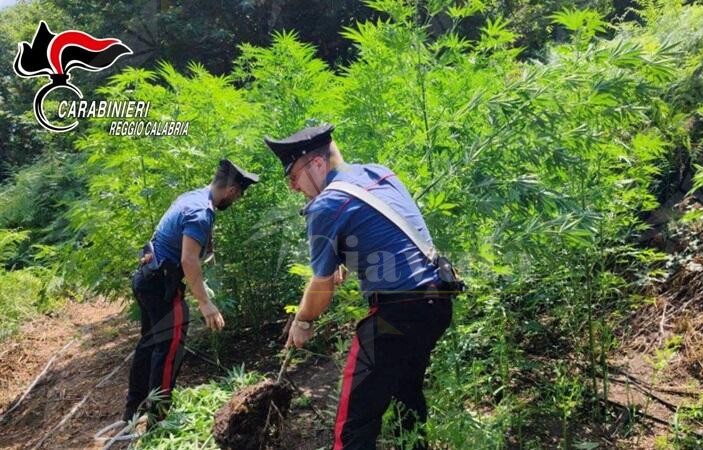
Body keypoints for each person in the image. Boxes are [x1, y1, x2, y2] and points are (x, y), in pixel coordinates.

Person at [265, 124, 454, 450]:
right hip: (437, 300)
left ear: (318, 165)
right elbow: (384, 231)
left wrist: (302, 320)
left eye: (294, 177)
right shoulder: (378, 173)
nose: (294, 188)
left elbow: (321, 290)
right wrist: (344, 258)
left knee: (354, 420)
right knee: (406, 391)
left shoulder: (326, 205)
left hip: (397, 312)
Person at [122, 159, 259, 423]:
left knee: (150, 344)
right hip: (161, 285)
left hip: (147, 278)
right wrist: (205, 303)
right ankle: (156, 419)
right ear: (231, 190)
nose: (237, 201)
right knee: (170, 348)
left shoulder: (192, 196)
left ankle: (134, 409)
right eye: (239, 196)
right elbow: (188, 260)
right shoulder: (201, 212)